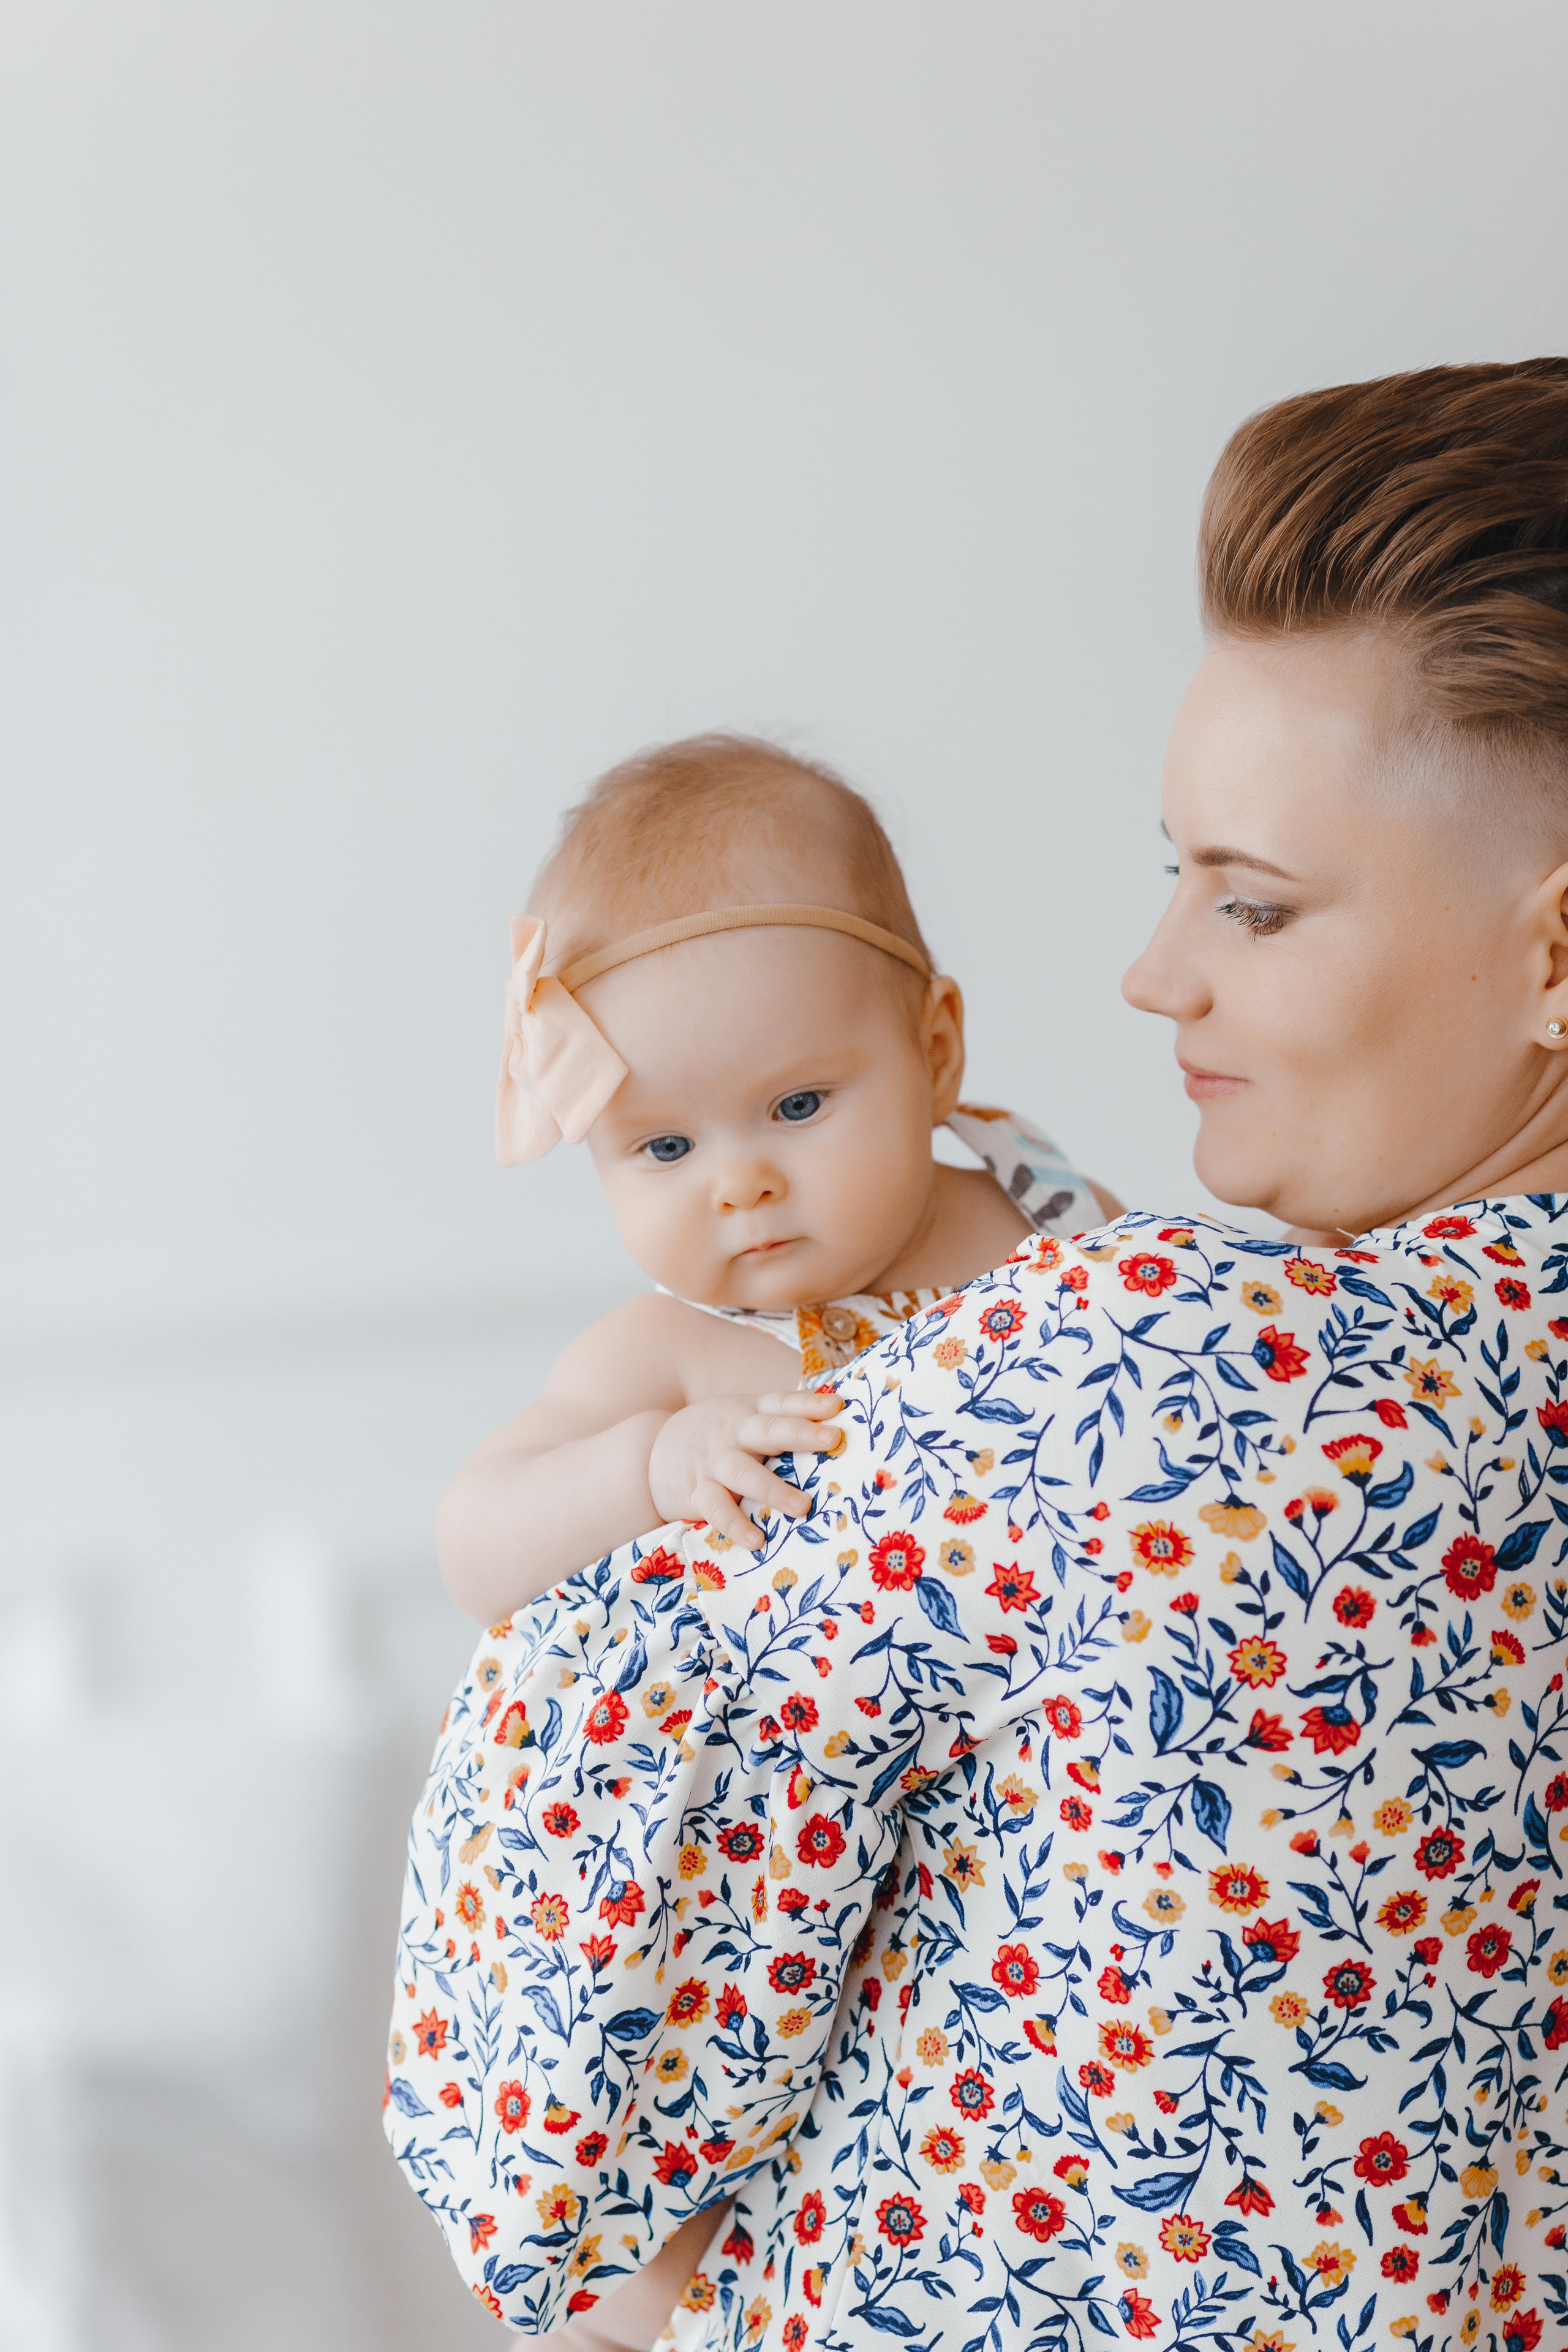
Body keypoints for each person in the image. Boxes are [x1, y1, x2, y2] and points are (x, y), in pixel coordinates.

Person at [385, 358, 1568, 2352]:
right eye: (1176, 869)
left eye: (1254, 905)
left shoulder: (1131, 1367)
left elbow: (544, 2083)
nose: (1151, 969)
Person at [435, 734, 1118, 1629]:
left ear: (935, 1053)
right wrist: (650, 1465)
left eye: (797, 1106)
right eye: (668, 1148)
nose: (739, 1185)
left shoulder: (1051, 1217)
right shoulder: (662, 1356)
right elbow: (474, 1550)